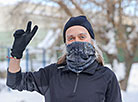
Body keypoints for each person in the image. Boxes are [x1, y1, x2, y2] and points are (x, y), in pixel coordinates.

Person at [6, 15, 122, 102]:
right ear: (65, 43)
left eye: (82, 37)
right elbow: (15, 82)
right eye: (71, 38)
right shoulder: (52, 74)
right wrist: (16, 54)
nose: (76, 41)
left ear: (92, 41)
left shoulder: (107, 76)